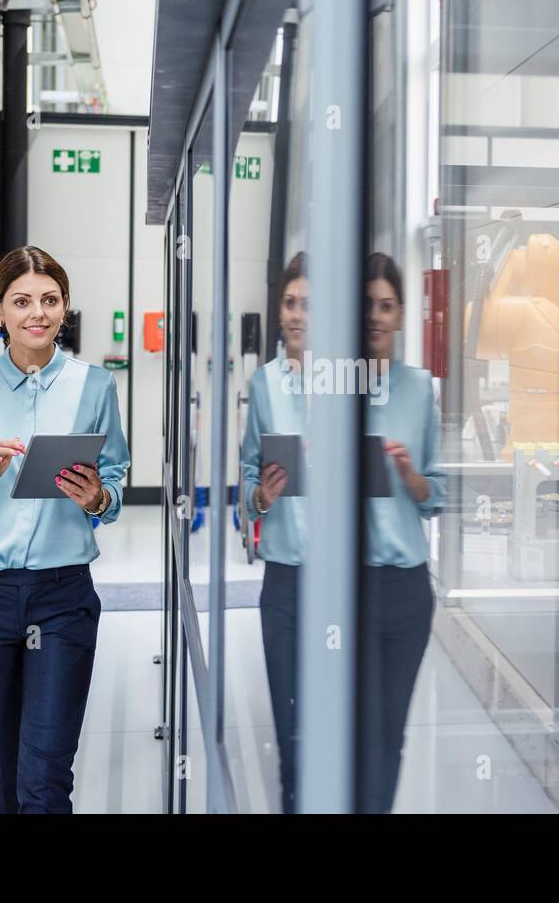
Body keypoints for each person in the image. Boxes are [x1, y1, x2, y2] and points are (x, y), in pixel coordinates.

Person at [0, 245, 131, 813]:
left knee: (45, 772)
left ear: (65, 309)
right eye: (22, 301)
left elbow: (112, 482)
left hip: (61, 598)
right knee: (1, 763)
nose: (37, 312)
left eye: (50, 300)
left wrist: (99, 496)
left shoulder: (95, 386)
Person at [358, 252, 444, 813]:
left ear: (401, 314)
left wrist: (412, 476)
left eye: (386, 306)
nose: (377, 316)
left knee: (390, 733)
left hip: (409, 590)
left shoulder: (420, 390)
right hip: (351, 587)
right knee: (351, 730)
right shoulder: (331, 385)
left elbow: (435, 495)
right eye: (367, 305)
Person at [239, 252, 309, 814]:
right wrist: (259, 497)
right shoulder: (265, 384)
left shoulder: (356, 381)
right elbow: (245, 473)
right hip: (284, 577)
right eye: (289, 302)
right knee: (290, 724)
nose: (296, 314)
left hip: (345, 579)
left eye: (308, 304)